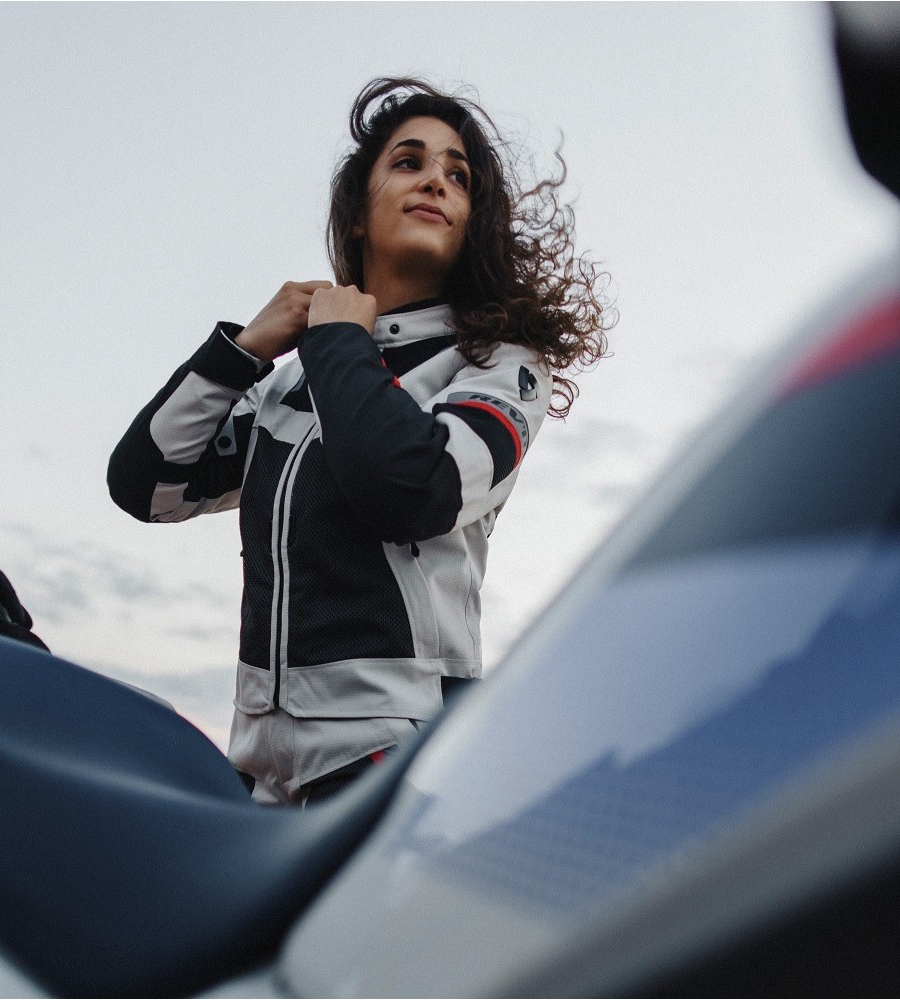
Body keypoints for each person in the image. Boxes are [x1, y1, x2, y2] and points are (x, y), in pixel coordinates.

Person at [107, 78, 610, 805]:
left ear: (471, 225)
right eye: (409, 162)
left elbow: (412, 488)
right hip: (255, 774)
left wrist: (341, 338)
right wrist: (243, 351)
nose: (435, 179)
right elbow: (147, 486)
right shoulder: (287, 386)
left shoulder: (499, 365)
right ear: (355, 221)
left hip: (394, 761)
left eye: (458, 177)